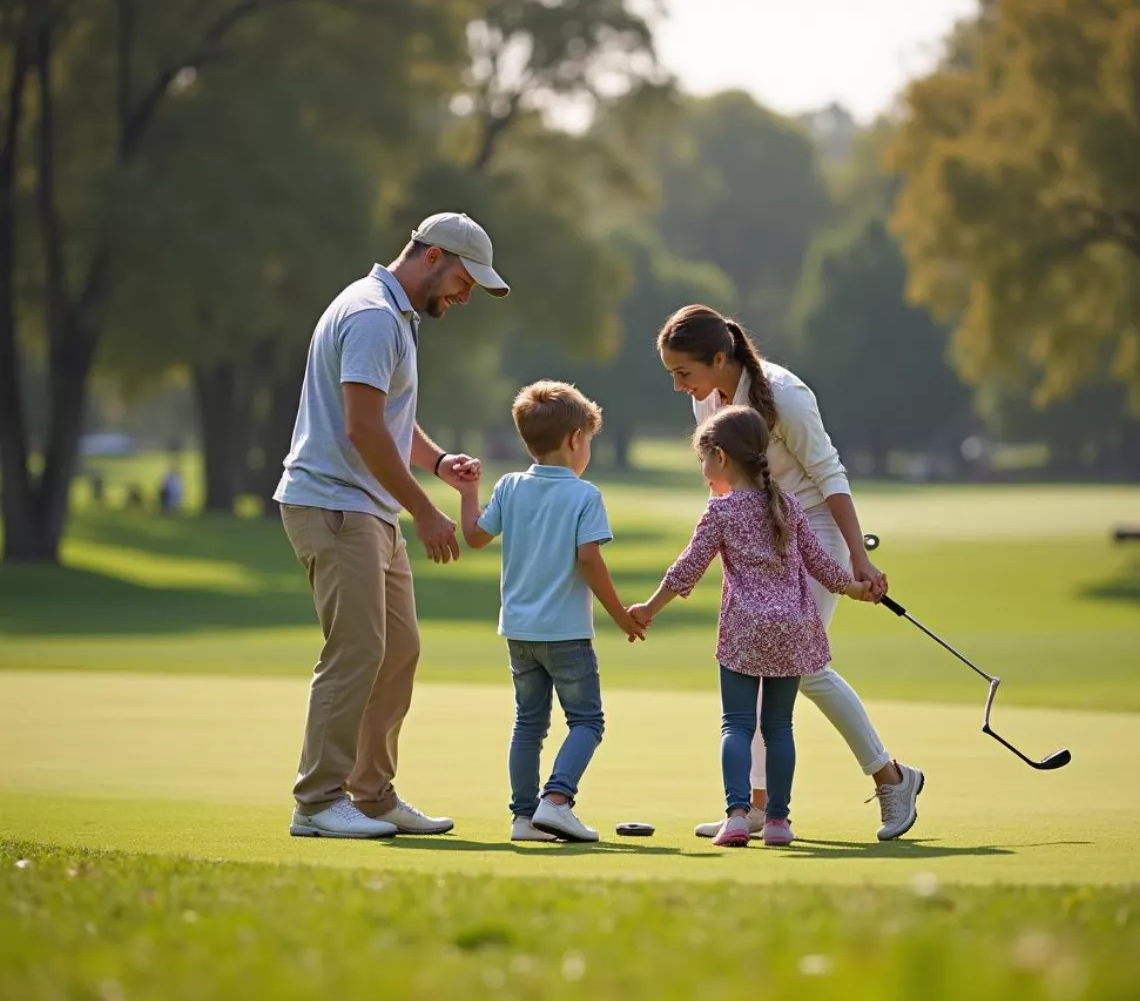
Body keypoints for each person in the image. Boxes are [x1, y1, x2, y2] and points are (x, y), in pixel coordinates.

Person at [275, 212, 509, 840]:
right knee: (355, 650)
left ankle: (371, 795)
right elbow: (362, 428)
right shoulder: (374, 314)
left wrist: (434, 462)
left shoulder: (395, 315)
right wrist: (426, 510)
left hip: (366, 508)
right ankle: (318, 802)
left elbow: (387, 421)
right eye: (464, 280)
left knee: (398, 648)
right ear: (432, 257)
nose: (465, 296)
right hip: (334, 505)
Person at [657, 305, 925, 841]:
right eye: (671, 376)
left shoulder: (785, 394)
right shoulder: (708, 401)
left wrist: (858, 558)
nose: (679, 386)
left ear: (718, 357)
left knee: (799, 665)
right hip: (761, 528)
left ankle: (892, 777)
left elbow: (829, 474)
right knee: (759, 661)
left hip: (814, 526)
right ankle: (756, 808)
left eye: (684, 373)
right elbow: (726, 480)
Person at [631, 406, 876, 846]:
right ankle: (779, 822)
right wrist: (856, 588)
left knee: (737, 726)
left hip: (745, 630)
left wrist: (649, 609)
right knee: (780, 727)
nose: (703, 470)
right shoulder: (790, 505)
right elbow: (822, 565)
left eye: (704, 459)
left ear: (721, 457)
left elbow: (686, 570)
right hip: (795, 628)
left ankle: (739, 816)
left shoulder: (721, 512)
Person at [460, 381, 645, 844]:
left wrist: (468, 491)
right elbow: (589, 560)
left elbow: (475, 537)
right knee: (587, 721)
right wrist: (621, 614)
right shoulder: (585, 496)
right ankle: (557, 801)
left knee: (528, 723)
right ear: (575, 439)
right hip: (565, 633)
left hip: (519, 633)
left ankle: (524, 819)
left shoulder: (508, 487)